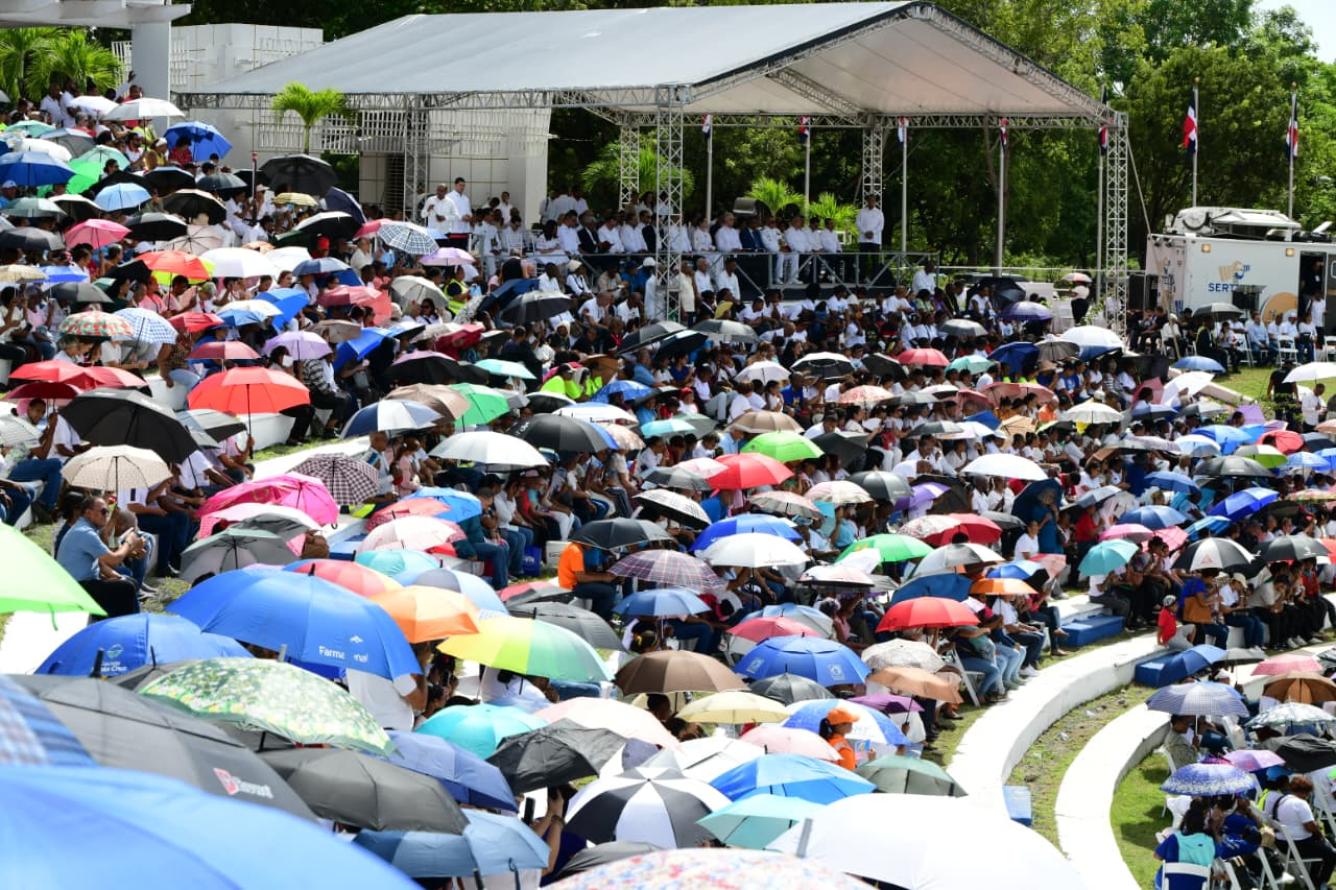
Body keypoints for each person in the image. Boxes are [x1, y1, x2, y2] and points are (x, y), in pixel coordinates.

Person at [54, 494, 141, 619]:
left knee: (128, 581)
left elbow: (101, 562)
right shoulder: (85, 532)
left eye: (107, 512)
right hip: (77, 587)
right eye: (104, 512)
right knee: (126, 588)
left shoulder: (87, 529)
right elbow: (114, 560)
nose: (106, 515)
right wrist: (129, 542)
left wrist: (116, 576)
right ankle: (121, 626)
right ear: (88, 513)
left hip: (85, 583)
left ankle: (131, 623)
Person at [1274, 775, 1336, 887]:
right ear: (1306, 792)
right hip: (1296, 845)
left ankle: (1313, 880)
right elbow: (1310, 827)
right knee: (1331, 855)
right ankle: (1320, 883)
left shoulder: (1283, 799)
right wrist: (1319, 833)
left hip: (1282, 843)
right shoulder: (1301, 804)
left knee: (1321, 848)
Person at [1152, 797, 1216, 890]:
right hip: (1196, 887)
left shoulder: (1174, 838)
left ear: (1186, 821)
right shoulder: (1209, 841)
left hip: (1168, 885)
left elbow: (1157, 856)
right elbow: (1217, 857)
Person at [556, 540, 620, 621]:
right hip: (572, 586)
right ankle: (597, 620)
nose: (593, 547)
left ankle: (606, 618)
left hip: (576, 583)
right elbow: (581, 578)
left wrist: (604, 576)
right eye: (592, 545)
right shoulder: (576, 551)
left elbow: (585, 573)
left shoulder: (576, 548)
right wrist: (603, 577)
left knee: (611, 583)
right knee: (608, 592)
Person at [819, 704, 858, 770]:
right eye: (850, 722)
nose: (852, 725)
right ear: (840, 725)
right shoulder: (844, 747)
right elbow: (850, 773)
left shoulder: (823, 741)